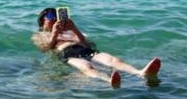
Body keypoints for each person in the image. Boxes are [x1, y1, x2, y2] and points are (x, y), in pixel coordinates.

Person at [32, 8, 161, 88]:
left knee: (113, 60)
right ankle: (109, 80)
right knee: (87, 67)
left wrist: (74, 29)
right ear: (42, 23)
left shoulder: (69, 31)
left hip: (87, 50)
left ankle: (140, 73)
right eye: (50, 16)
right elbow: (46, 49)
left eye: (55, 14)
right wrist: (54, 34)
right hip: (68, 54)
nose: (54, 18)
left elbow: (88, 44)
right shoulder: (41, 35)